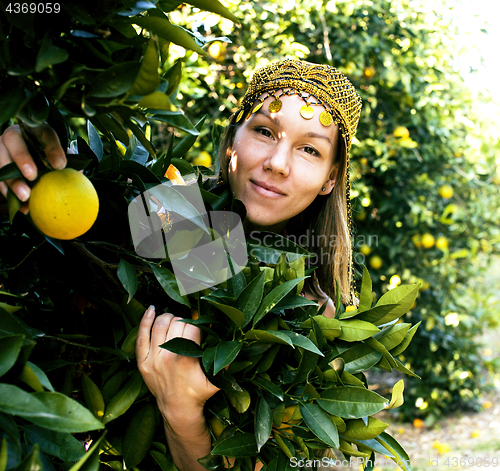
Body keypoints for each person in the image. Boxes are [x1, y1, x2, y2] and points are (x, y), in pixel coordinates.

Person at [0, 59, 362, 470]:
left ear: (331, 179)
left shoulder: (317, 320)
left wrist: (182, 414)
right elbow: (79, 212)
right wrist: (29, 159)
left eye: (309, 149)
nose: (278, 162)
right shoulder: (164, 214)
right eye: (264, 131)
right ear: (232, 142)